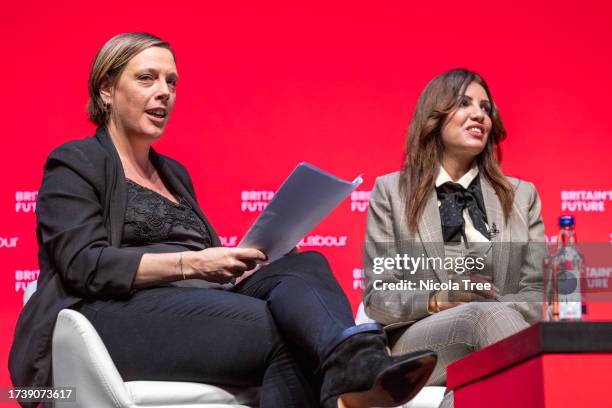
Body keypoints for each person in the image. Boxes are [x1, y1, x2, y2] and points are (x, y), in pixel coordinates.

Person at [9, 32, 437, 408]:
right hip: (111, 315)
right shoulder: (76, 161)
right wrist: (195, 263)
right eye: (147, 78)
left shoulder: (174, 173)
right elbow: (85, 265)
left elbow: (208, 268)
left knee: (305, 265)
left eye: (171, 82)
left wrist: (245, 258)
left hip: (198, 301)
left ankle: (353, 358)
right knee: (284, 332)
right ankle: (351, 370)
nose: (164, 92)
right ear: (106, 89)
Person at [362, 68, 546, 408]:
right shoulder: (391, 192)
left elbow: (536, 294)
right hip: (418, 343)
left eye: (485, 108)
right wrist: (439, 299)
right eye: (464, 103)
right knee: (481, 317)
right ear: (435, 115)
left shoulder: (522, 196)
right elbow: (379, 297)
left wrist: (491, 305)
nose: (479, 114)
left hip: (498, 336)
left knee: (474, 388)